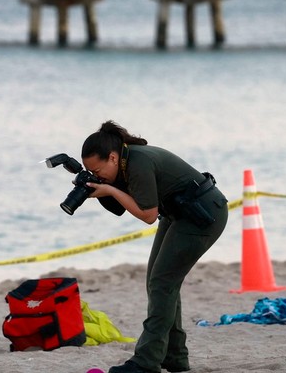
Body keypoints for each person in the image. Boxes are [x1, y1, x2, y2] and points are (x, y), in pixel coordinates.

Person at [79, 121, 228, 373]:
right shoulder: (125, 161)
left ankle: (146, 362)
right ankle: (174, 357)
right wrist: (102, 188)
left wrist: (110, 191)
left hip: (203, 215)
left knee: (162, 283)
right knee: (158, 281)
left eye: (97, 170)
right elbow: (130, 205)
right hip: (177, 213)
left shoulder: (138, 162)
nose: (96, 175)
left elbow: (148, 215)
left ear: (112, 157)